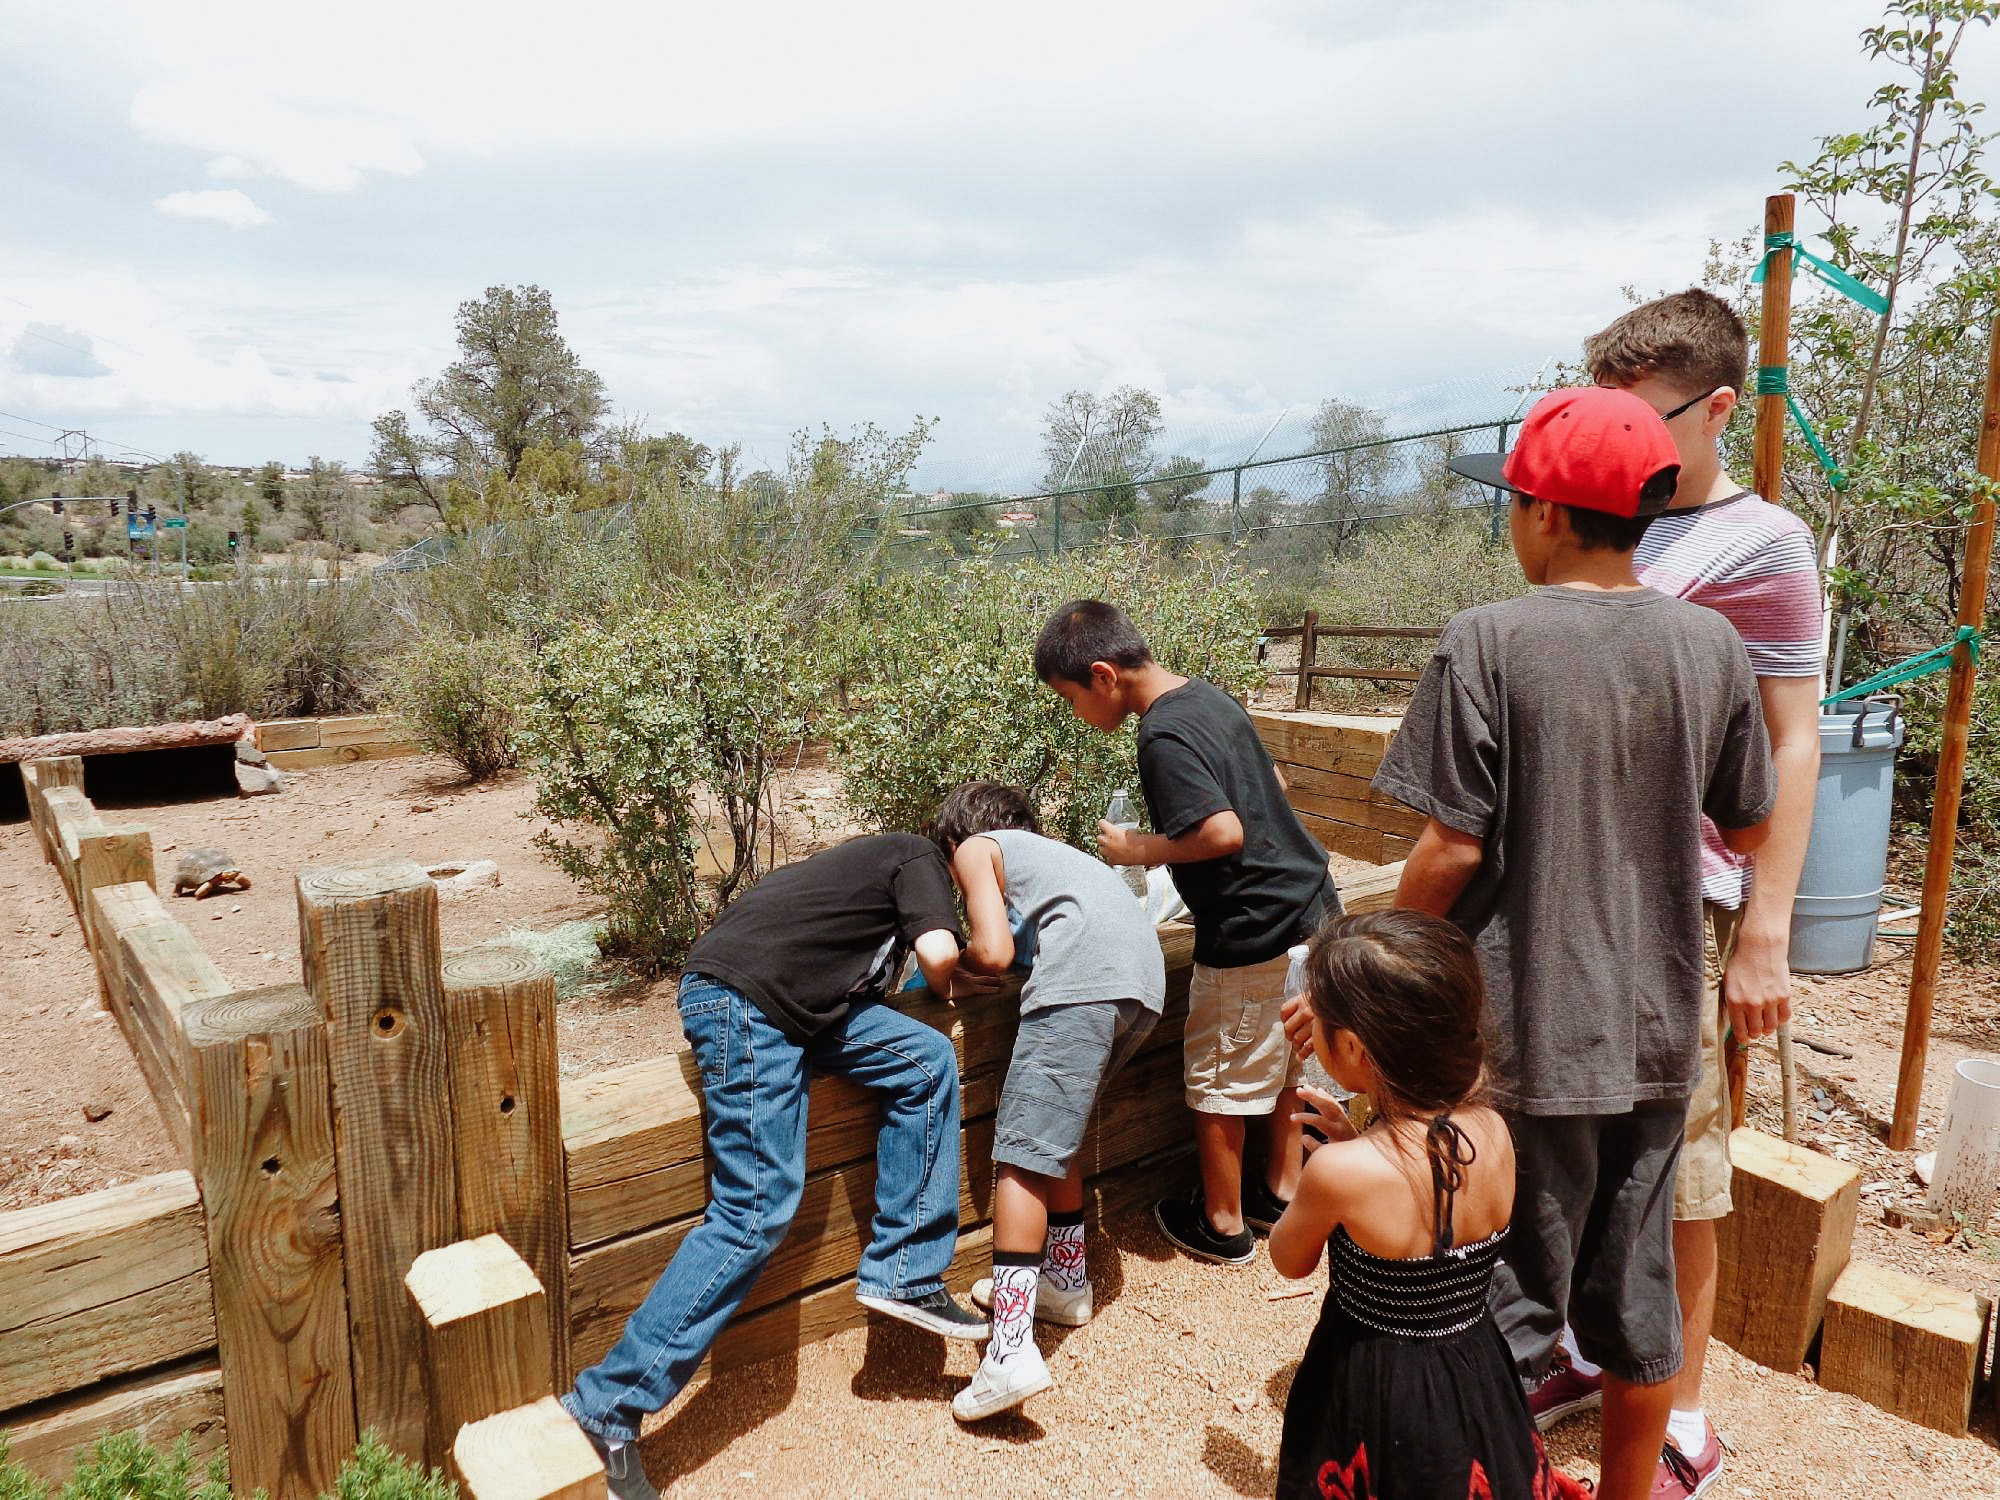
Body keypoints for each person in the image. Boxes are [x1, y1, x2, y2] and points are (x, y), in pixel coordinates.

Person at [1361, 386, 1778, 1500]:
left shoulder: (1488, 639)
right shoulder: (1709, 644)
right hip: (1656, 1031)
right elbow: (1746, 823)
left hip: (1528, 1033)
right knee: (1636, 1303)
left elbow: (1450, 846)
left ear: (1543, 512)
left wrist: (1377, 966)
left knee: (1503, 1311)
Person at [1543, 289, 1820, 1499]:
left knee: (1677, 1163)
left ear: (1714, 410)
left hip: (1674, 893)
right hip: (1565, 881)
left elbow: (1791, 740)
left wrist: (1765, 928)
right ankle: (1582, 1350)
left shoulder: (1762, 543)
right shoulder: (1614, 518)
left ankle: (1683, 1415)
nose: (1622, 441)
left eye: (1643, 419)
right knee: (1571, 1132)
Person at [560, 834, 992, 1500]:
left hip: (789, 1005)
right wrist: (983, 951)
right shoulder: (920, 856)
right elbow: (939, 958)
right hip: (744, 1005)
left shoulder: (864, 868)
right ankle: (603, 1409)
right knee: (754, 1211)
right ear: (966, 849)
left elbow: (913, 979)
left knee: (924, 1062)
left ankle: (905, 1271)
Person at [1035, 601, 1339, 1265]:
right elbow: (1273, 782)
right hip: (1309, 908)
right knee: (1286, 1058)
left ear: (1103, 675)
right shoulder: (1207, 697)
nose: (1075, 713)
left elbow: (1222, 831)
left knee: (1217, 1078)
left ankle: (1223, 1224)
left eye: (1070, 697)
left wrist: (1139, 849)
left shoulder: (1161, 735)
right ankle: (1280, 1192)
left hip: (1251, 928)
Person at [1271, 909, 1590, 1500]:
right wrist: (1358, 1140)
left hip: (1374, 1379)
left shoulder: (1339, 1173)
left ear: (1353, 1047)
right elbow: (1423, 1189)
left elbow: (1289, 1259)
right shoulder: (1493, 1130)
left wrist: (1323, 1166)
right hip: (1476, 1362)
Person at [932, 780, 1167, 1420]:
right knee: (1054, 1141)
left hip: (1084, 984)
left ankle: (1010, 1349)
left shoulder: (976, 847)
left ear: (955, 840)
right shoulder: (1056, 857)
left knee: (1021, 1155)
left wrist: (951, 968)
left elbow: (993, 950)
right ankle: (1064, 1283)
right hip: (1141, 985)